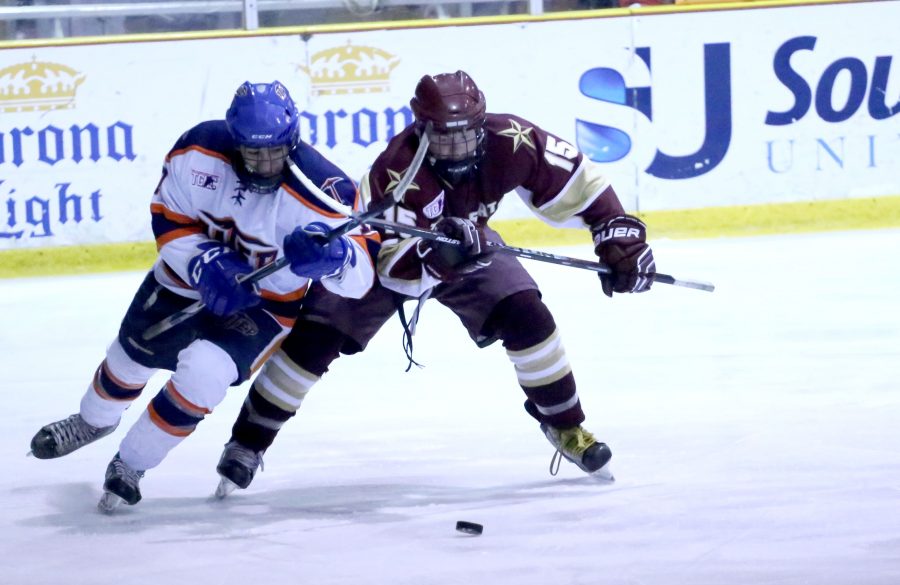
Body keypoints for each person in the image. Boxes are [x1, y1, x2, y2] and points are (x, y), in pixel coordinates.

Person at [214, 70, 656, 494]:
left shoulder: (513, 139)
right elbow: (387, 267)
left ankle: (566, 427)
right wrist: (439, 254)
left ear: (482, 123)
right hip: (390, 254)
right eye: (444, 133)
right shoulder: (396, 170)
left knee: (528, 315)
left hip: (471, 246)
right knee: (316, 335)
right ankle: (248, 442)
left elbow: (580, 180)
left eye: (467, 132)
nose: (458, 144)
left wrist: (617, 231)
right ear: (423, 128)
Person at [29, 80, 377, 510]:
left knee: (205, 376)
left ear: (293, 140)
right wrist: (204, 263)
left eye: (275, 151)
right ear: (234, 142)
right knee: (129, 361)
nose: (266, 163)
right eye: (253, 152)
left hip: (265, 304)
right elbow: (168, 216)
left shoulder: (326, 191)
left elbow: (359, 279)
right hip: (183, 281)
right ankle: (93, 422)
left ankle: (131, 464)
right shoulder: (199, 150)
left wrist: (333, 258)